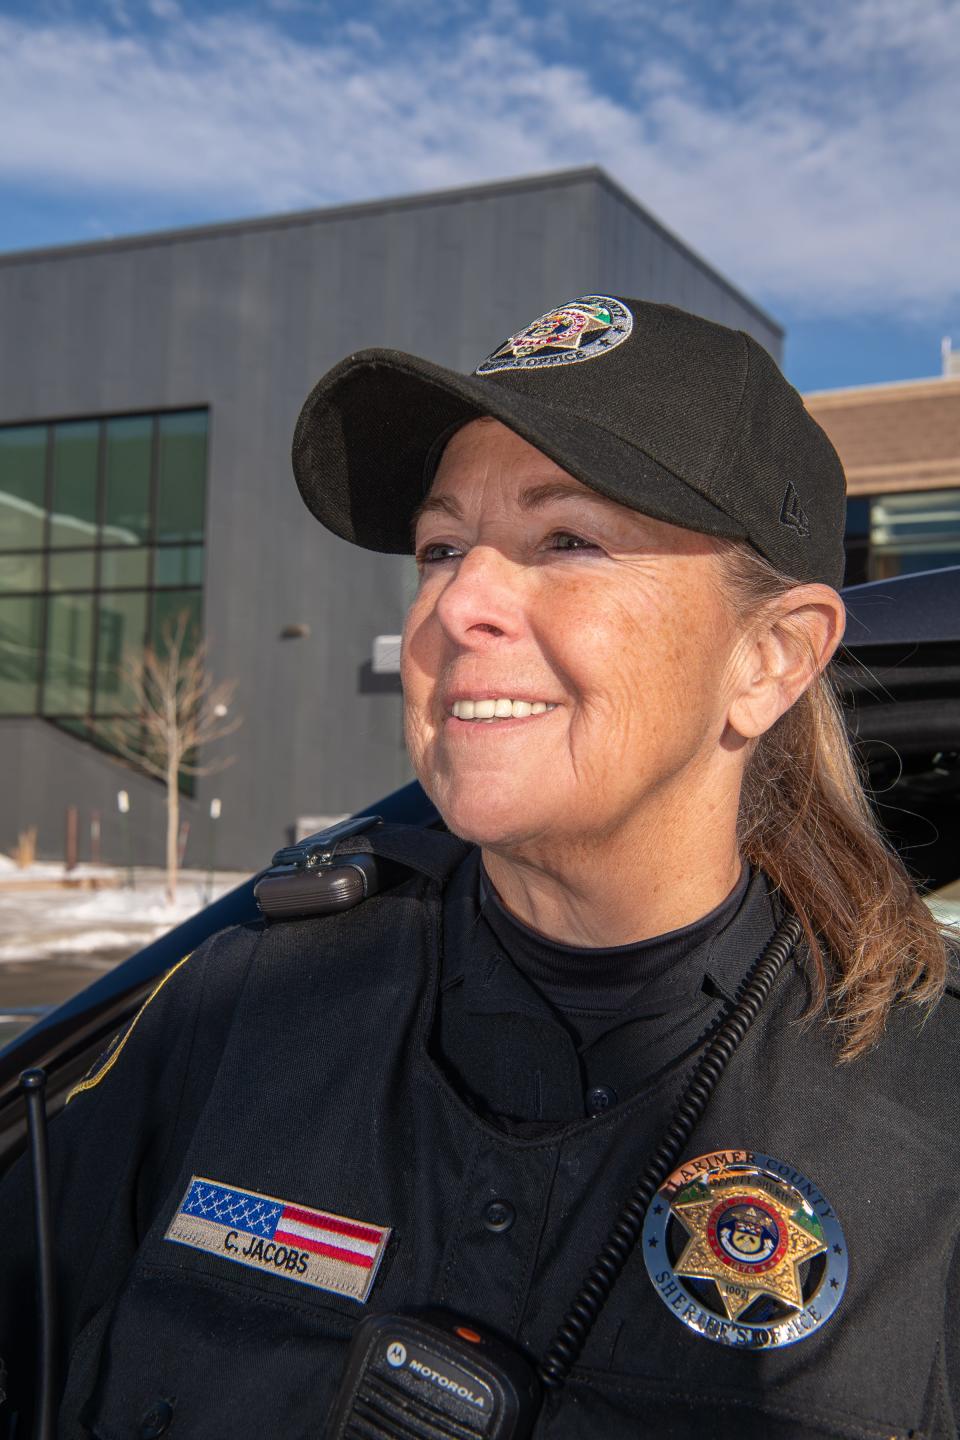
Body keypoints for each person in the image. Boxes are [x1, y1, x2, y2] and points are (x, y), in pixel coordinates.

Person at [1, 294, 957, 1439]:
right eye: (442, 548)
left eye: (568, 540)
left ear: (769, 658)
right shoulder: (238, 1006)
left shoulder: (929, 1118)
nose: (457, 606)